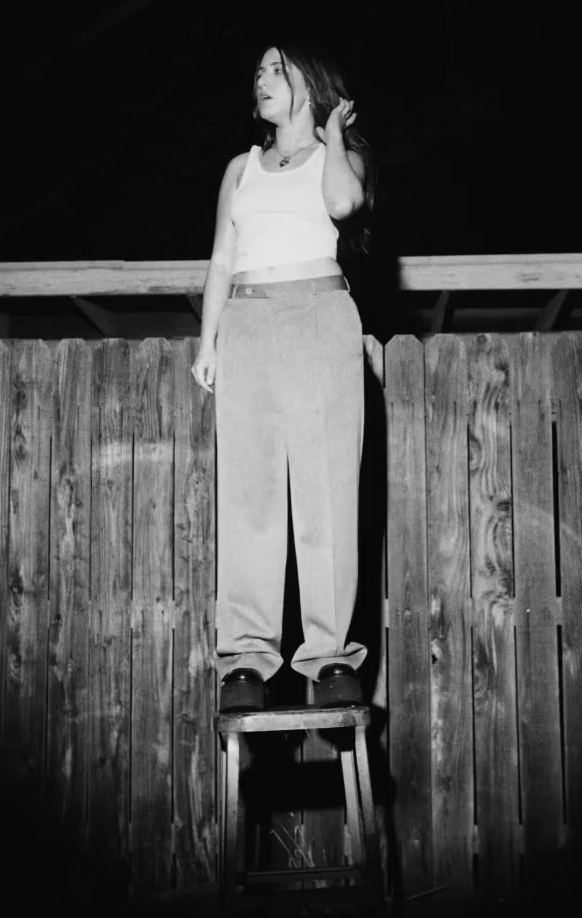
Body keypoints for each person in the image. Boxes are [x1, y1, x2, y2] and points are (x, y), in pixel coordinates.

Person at [190, 43, 375, 713]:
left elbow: (345, 204)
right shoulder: (240, 169)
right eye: (260, 71)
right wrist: (208, 341)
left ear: (310, 81)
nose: (261, 79)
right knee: (250, 495)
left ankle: (329, 661)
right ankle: (246, 661)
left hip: (321, 318)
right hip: (248, 323)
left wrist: (330, 133)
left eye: (277, 69)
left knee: (327, 491)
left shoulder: (336, 158)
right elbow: (219, 261)